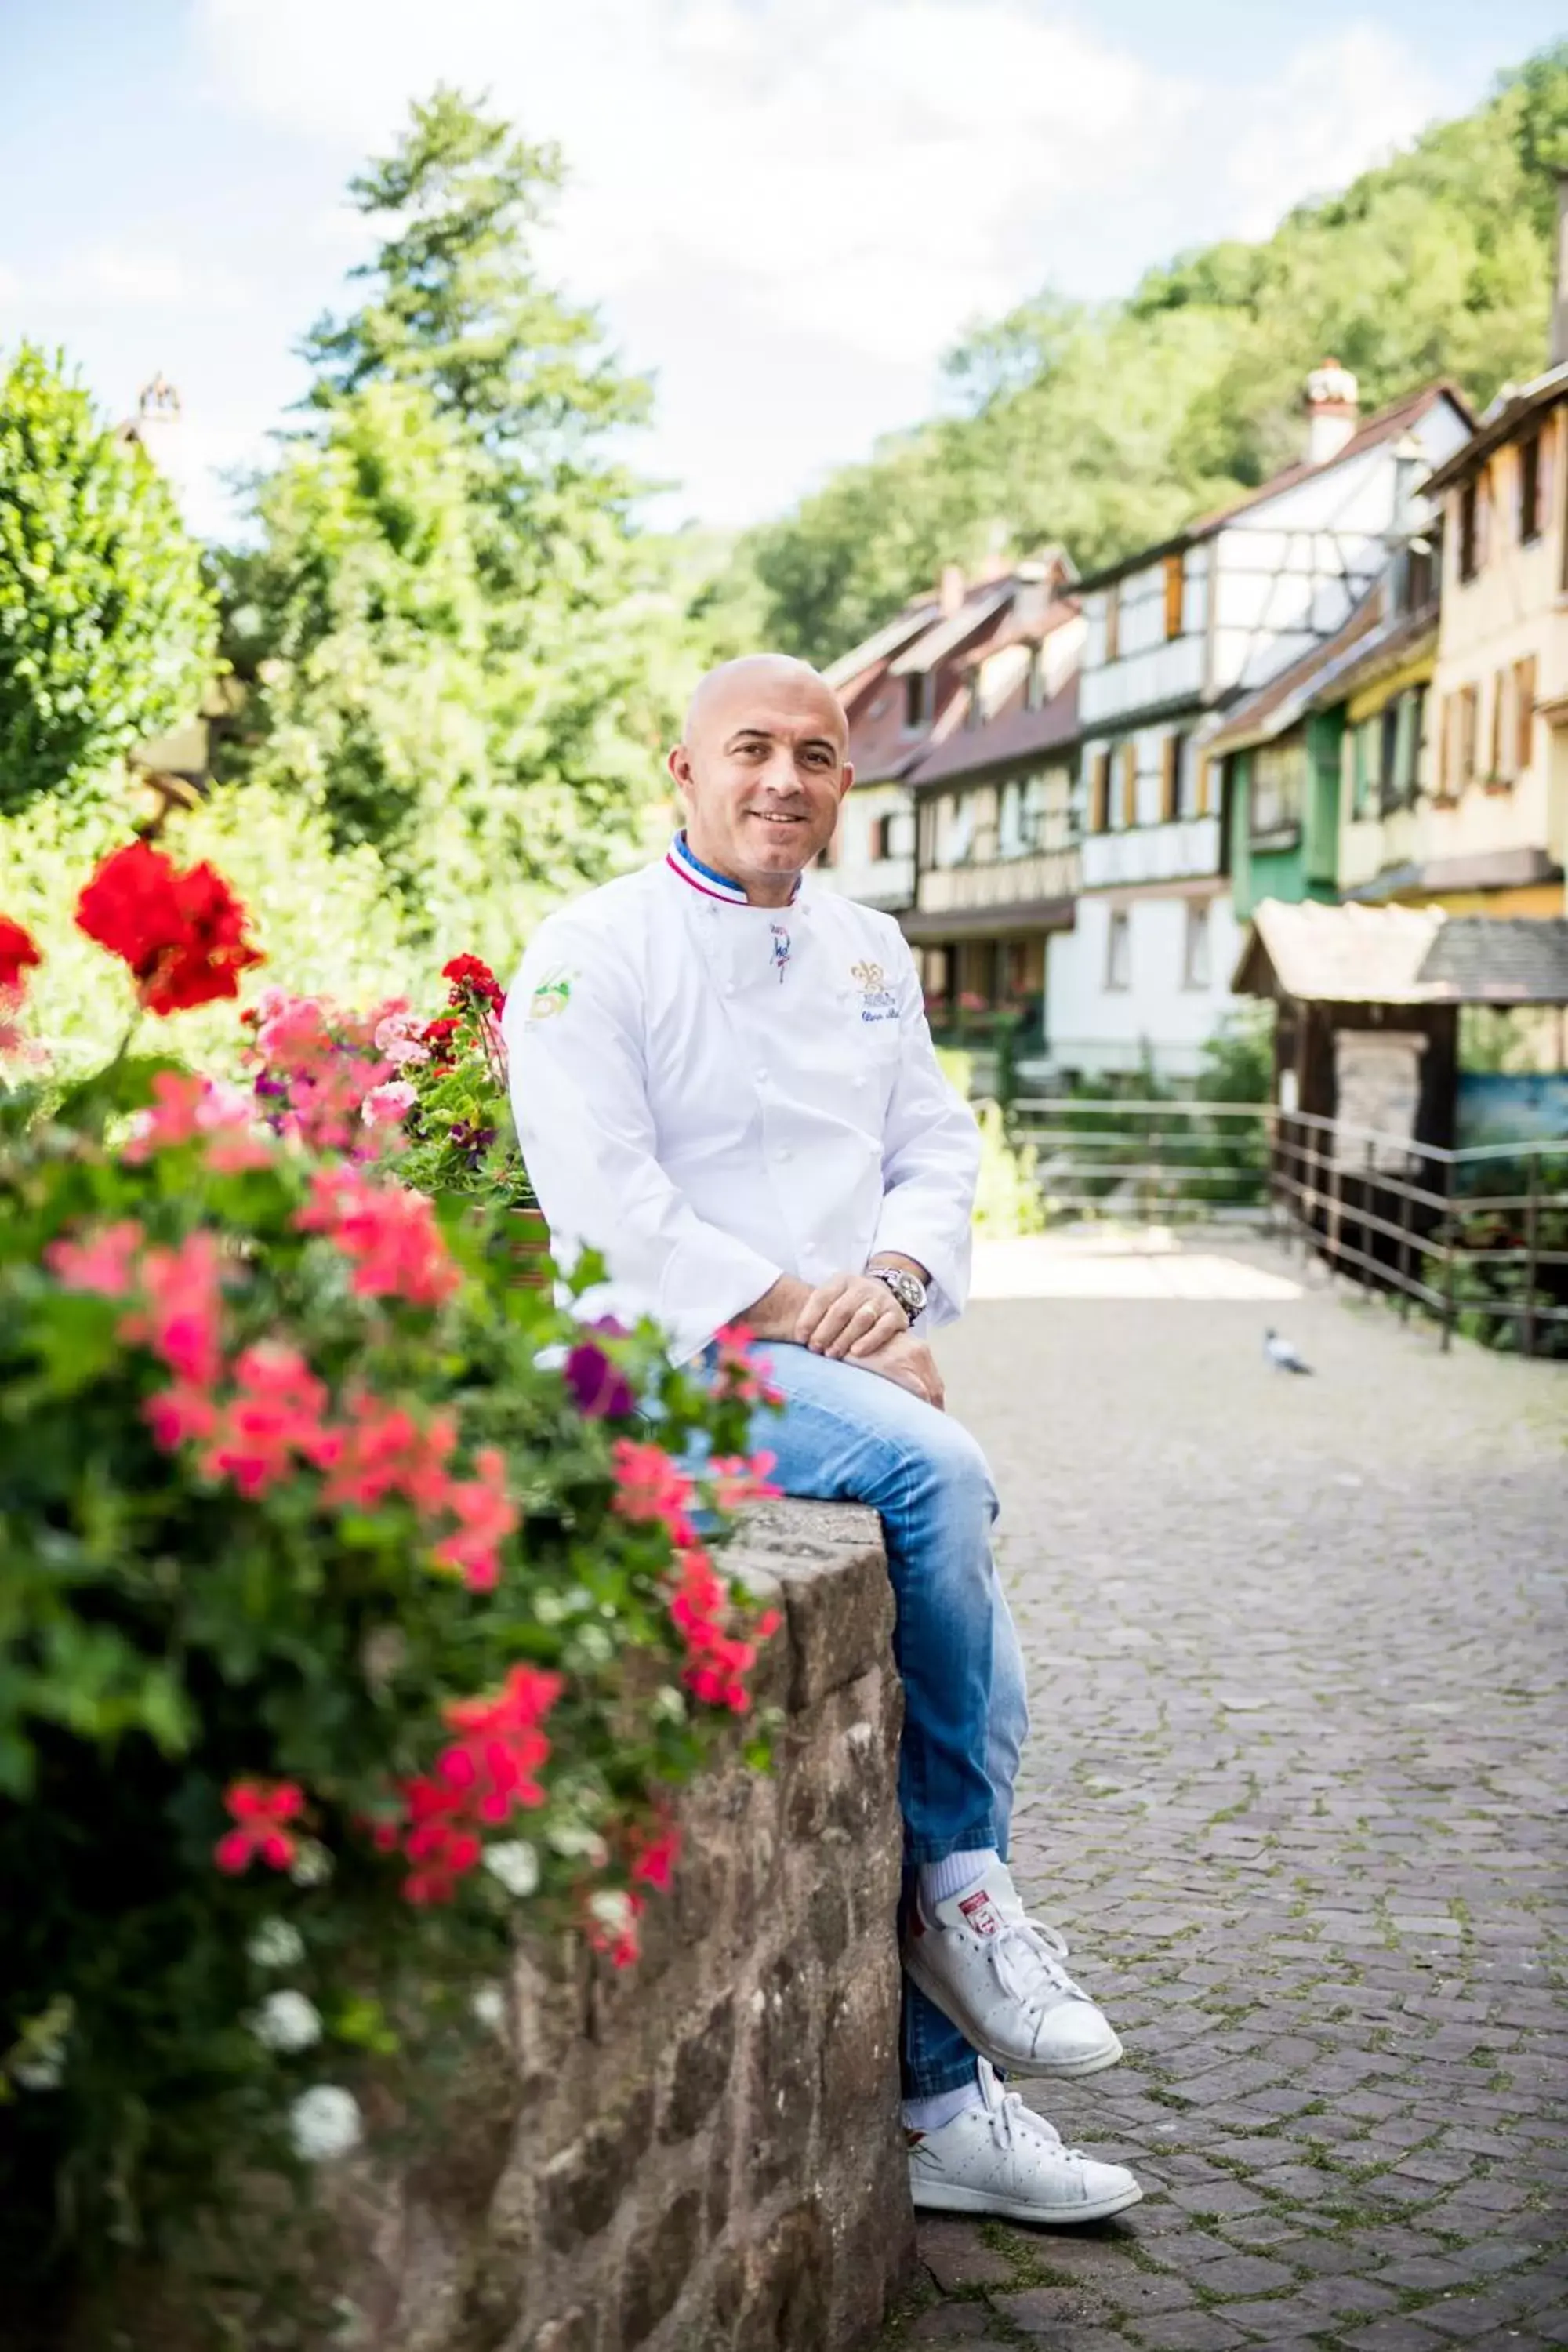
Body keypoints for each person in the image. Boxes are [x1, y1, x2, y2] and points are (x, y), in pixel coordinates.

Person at [503, 654, 1142, 2227]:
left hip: (830, 1344)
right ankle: (966, 1889)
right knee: (938, 1473)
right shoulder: (592, 949)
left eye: (816, 755)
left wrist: (899, 1280)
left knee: (977, 1675)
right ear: (682, 770)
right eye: (751, 751)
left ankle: (941, 2089)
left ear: (847, 782)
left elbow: (932, 1139)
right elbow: (607, 1207)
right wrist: (811, 1311)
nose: (785, 779)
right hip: (673, 1356)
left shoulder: (867, 947)